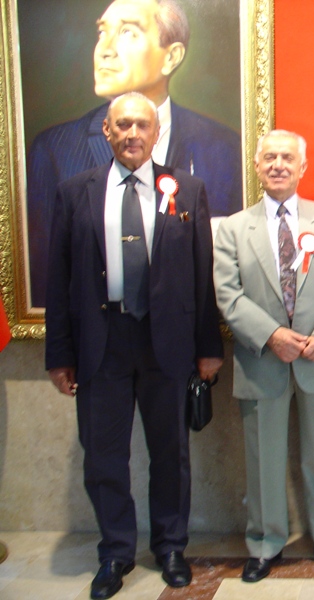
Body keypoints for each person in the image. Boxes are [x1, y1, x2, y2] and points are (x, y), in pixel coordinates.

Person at [45, 92, 224, 599]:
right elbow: (58, 280)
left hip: (167, 343)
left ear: (156, 132)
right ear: (107, 131)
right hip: (100, 344)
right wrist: (59, 355)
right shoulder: (75, 192)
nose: (132, 134)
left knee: (171, 454)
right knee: (103, 456)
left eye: (142, 125)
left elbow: (201, 274)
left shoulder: (186, 190)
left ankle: (170, 547)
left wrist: (208, 346)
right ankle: (115, 552)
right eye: (122, 125)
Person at [213, 130, 314, 582]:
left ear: (303, 167)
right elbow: (227, 294)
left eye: (287, 158)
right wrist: (272, 335)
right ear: (257, 166)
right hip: (262, 359)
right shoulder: (233, 228)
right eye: (270, 158)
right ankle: (265, 543)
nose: (278, 165)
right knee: (263, 459)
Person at [27, 0, 242, 307]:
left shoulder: (224, 148)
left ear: (171, 57)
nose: (104, 50)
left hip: (176, 326)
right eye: (102, 33)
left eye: (128, 32)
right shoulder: (55, 150)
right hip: (100, 328)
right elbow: (48, 275)